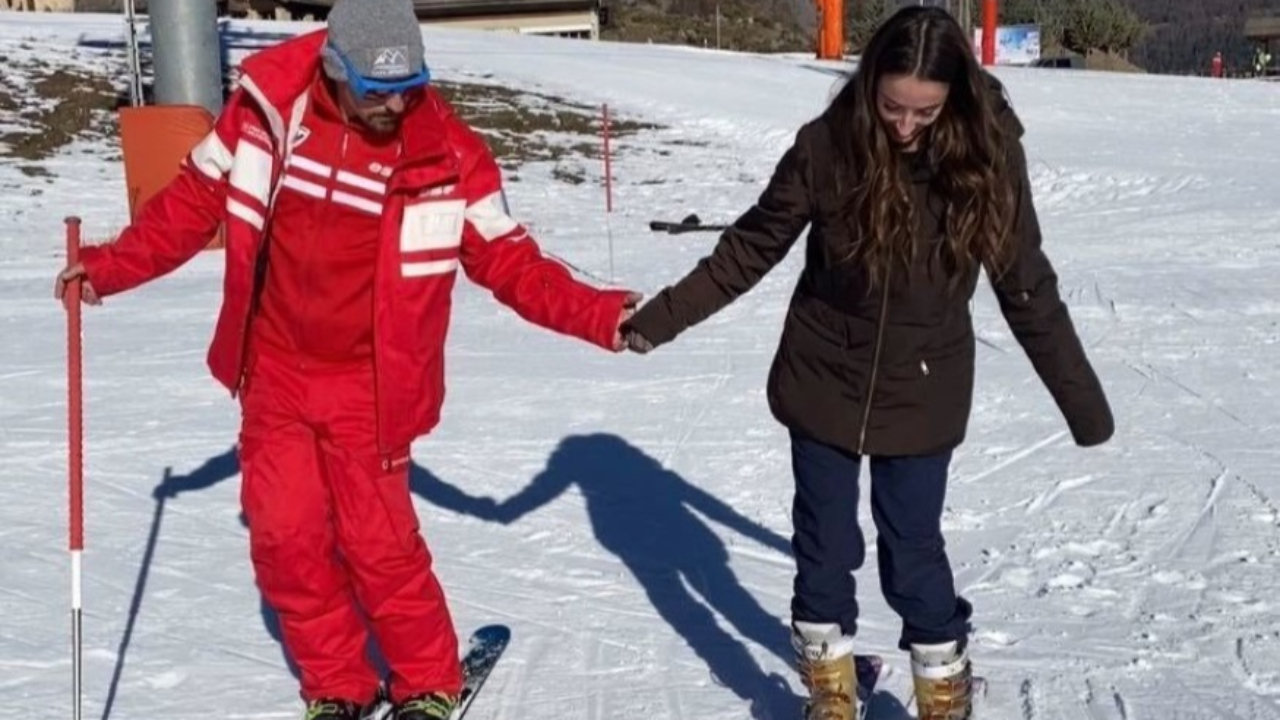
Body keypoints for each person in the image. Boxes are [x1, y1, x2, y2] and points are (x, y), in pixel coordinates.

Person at [53, 0, 639, 717]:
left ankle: (427, 680)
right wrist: (106, 268)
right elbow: (189, 206)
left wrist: (604, 316)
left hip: (372, 385)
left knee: (377, 542)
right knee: (283, 538)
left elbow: (515, 265)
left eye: (409, 85)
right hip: (272, 371)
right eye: (375, 89)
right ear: (335, 70)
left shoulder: (445, 156)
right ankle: (336, 686)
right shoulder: (266, 112)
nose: (394, 104)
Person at [620, 7, 1113, 720]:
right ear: (869, 83)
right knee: (824, 545)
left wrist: (1083, 405)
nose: (905, 126)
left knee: (912, 554)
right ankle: (830, 693)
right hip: (824, 375)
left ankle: (943, 691)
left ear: (957, 99)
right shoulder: (829, 146)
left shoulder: (986, 157)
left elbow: (1024, 283)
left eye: (926, 111)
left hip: (924, 386)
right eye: (891, 106)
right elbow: (751, 248)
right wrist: (657, 321)